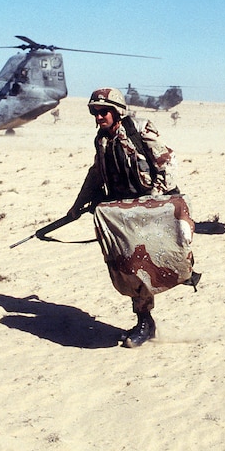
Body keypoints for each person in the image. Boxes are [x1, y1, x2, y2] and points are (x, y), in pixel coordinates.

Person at [68, 87, 182, 347]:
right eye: (94, 112)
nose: (98, 117)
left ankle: (144, 323)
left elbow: (167, 162)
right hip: (120, 214)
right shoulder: (102, 139)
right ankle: (146, 321)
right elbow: (97, 172)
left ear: (117, 111)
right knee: (127, 268)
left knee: (140, 268)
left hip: (146, 211)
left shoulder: (139, 130)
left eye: (103, 112)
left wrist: (158, 200)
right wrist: (78, 204)